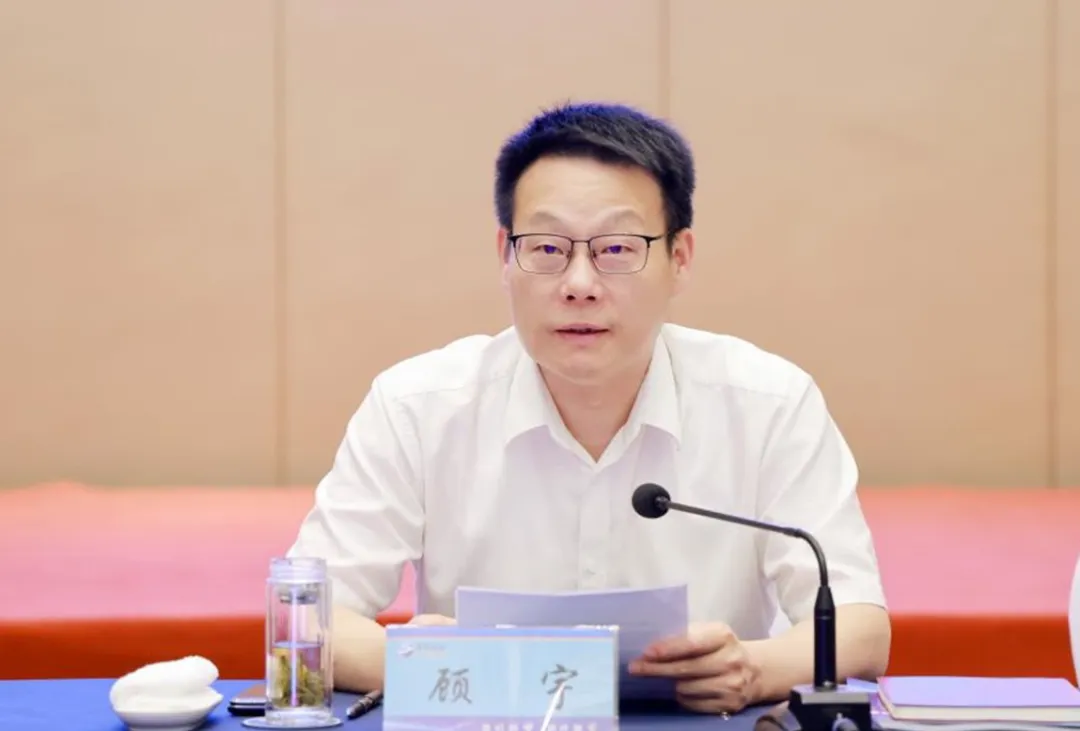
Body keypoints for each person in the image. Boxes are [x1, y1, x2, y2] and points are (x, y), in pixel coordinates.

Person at [287, 101, 890, 715]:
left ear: (680, 258)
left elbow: (861, 627)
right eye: (547, 248)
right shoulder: (418, 407)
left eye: (618, 248)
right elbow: (302, 614)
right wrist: (428, 661)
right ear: (505, 255)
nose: (579, 283)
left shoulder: (769, 404)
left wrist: (754, 669)